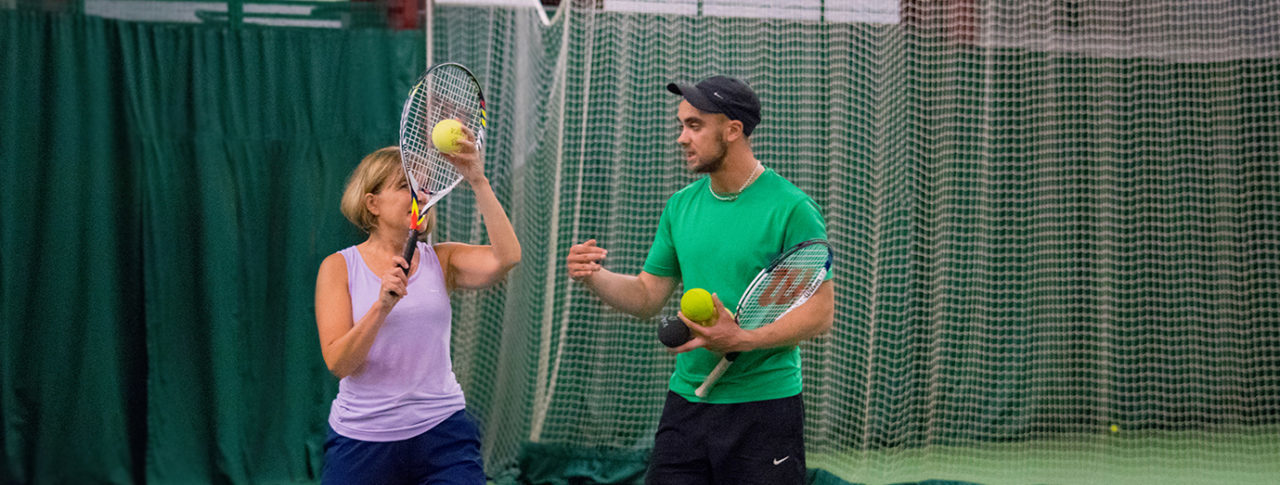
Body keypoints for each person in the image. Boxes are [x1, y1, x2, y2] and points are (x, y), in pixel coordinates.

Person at [565, 75, 835, 484]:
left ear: (732, 130)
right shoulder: (680, 206)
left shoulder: (791, 208)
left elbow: (819, 314)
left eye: (694, 126)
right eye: (681, 126)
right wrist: (594, 276)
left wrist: (741, 340)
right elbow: (645, 296)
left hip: (765, 407)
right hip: (686, 404)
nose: (681, 138)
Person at [315, 136, 521, 484]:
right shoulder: (338, 268)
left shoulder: (443, 259)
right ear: (372, 203)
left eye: (424, 187)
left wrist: (477, 180)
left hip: (443, 433)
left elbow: (507, 257)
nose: (422, 196)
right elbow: (339, 363)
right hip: (363, 438)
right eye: (405, 187)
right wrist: (381, 308)